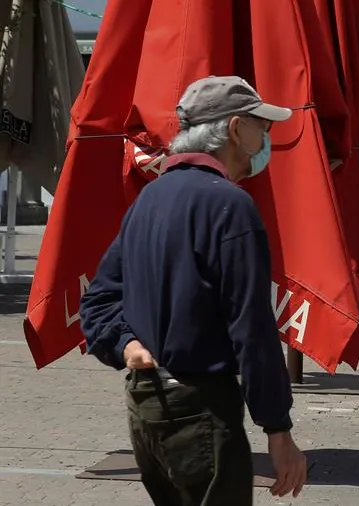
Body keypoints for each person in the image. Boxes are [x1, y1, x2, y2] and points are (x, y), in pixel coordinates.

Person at [80, 75, 307, 505]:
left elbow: (98, 300)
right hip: (200, 406)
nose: (267, 138)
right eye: (263, 127)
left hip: (146, 404)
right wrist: (278, 430)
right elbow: (252, 328)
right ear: (237, 129)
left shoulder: (150, 198)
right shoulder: (231, 206)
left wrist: (125, 344)